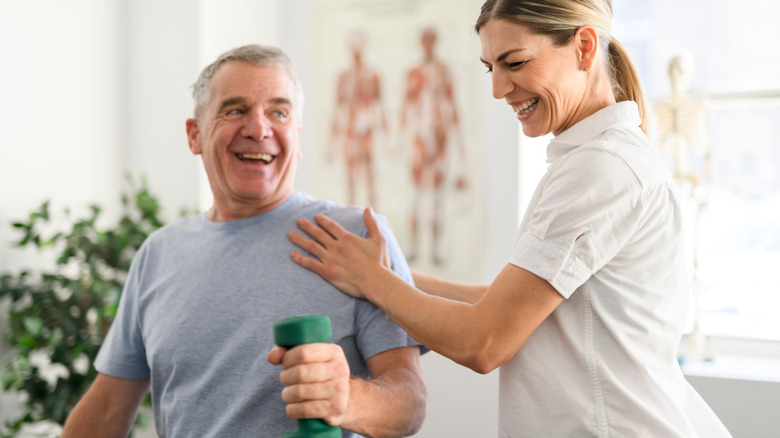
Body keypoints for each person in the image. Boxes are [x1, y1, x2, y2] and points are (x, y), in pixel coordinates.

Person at [288, 1, 731, 436]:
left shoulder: (601, 168)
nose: (499, 88)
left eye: (514, 62)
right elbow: (521, 307)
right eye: (490, 68)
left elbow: (483, 342)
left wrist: (374, 283)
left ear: (584, 47)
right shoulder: (592, 160)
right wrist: (394, 275)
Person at [61, 44, 426, 438]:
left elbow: (409, 404)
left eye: (279, 112)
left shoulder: (357, 235)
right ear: (194, 134)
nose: (259, 128)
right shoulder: (159, 253)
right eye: (235, 110)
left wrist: (347, 399)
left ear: (297, 137)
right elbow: (107, 409)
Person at [399, 26, 466, 265]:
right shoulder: (414, 73)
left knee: (438, 196)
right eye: (424, 40)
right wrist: (399, 140)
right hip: (419, 139)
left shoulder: (443, 72)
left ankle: (436, 249)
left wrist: (460, 142)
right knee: (416, 196)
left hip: (439, 140)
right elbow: (406, 106)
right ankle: (414, 248)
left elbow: (453, 105)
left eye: (431, 40)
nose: (428, 44)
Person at [330, 29, 388, 208]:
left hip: (366, 131)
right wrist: (331, 141)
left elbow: (380, 107)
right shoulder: (343, 77)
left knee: (369, 175)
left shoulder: (372, 76)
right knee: (350, 177)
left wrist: (387, 139)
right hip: (349, 131)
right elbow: (337, 109)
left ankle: (374, 216)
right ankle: (352, 217)